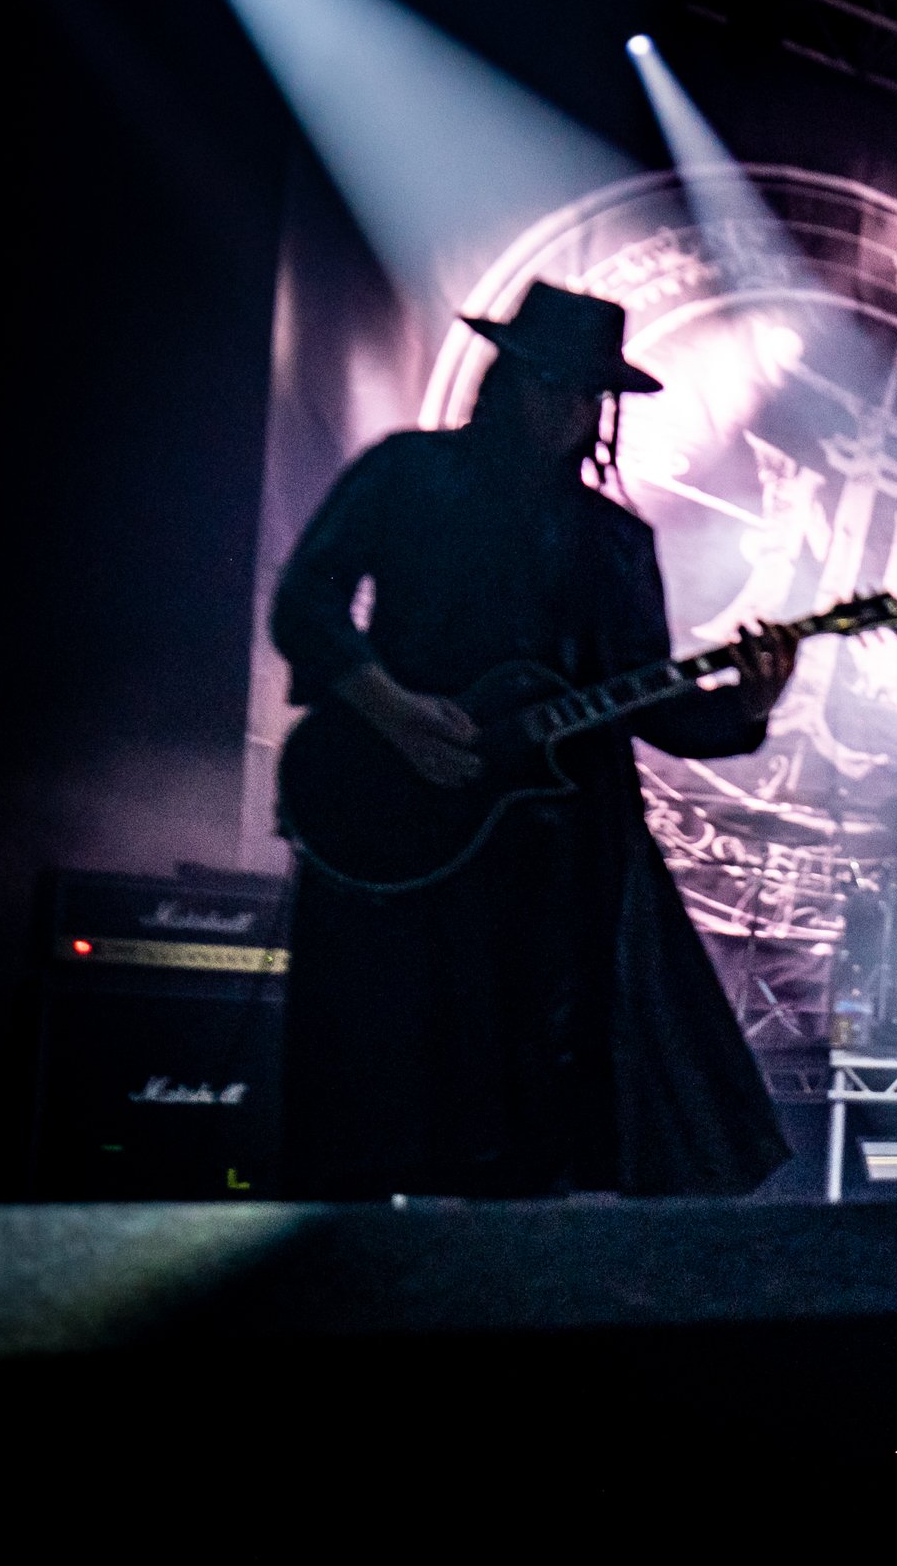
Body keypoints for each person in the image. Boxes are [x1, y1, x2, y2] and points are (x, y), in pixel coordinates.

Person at [271, 282, 800, 1200]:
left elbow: (648, 702)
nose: (571, 408)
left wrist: (750, 705)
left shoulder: (614, 539)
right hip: (399, 814)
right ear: (506, 378)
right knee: (377, 1084)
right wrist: (393, 708)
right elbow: (303, 607)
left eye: (589, 391)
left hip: (555, 859)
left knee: (537, 1111)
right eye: (552, 383)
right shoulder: (408, 474)